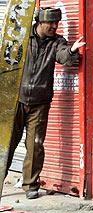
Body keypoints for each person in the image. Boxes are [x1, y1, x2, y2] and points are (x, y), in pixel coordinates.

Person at [5, 7, 86, 199]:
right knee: (7, 144)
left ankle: (31, 185)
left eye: (56, 23)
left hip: (40, 102)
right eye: (49, 23)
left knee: (35, 145)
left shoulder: (57, 42)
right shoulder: (23, 39)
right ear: (39, 23)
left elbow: (64, 56)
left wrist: (72, 50)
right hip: (16, 100)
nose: (53, 26)